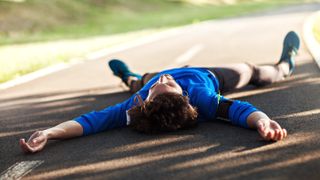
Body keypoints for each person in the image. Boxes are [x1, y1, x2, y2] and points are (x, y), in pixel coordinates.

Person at [20, 31, 300, 153]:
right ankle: (286, 64)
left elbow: (88, 122)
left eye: (156, 89)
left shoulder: (137, 103)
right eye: (166, 84)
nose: (165, 79)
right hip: (209, 74)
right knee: (252, 72)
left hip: (146, 85)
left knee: (144, 77)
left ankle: (130, 77)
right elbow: (241, 111)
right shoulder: (202, 98)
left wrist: (49, 133)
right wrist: (263, 121)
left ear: (145, 101)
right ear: (184, 95)